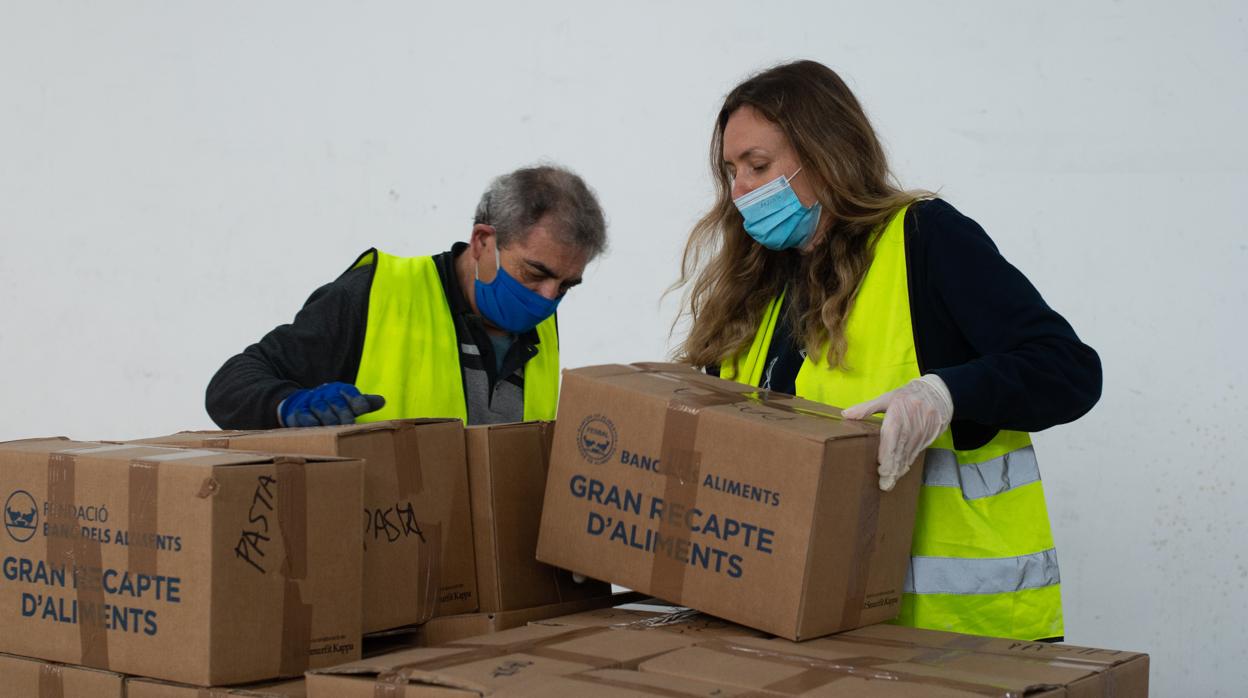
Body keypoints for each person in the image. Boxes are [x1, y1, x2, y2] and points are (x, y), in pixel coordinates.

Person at [674, 60, 1101, 641]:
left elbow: (1068, 370)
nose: (741, 189)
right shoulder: (755, 291)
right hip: (815, 632)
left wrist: (944, 394)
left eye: (759, 166)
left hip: (960, 640)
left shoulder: (925, 240)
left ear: (826, 156)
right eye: (731, 170)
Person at [207, 164, 607, 428]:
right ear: (484, 241)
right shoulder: (378, 294)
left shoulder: (541, 329)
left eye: (566, 286)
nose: (548, 299)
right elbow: (229, 387)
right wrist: (288, 404)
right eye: (535, 273)